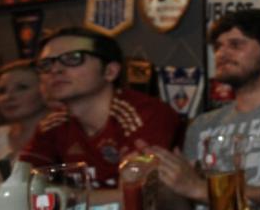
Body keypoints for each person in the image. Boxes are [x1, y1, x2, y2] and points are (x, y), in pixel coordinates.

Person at [147, 9, 260, 210]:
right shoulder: (202, 125)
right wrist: (157, 182)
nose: (222, 53)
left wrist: (201, 189)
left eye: (236, 44)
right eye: (218, 46)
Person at [20, 28, 184, 197]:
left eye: (73, 58)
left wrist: (64, 197)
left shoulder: (144, 113)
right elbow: (22, 188)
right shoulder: (52, 125)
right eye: (46, 64)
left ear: (110, 71)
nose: (55, 70)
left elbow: (140, 198)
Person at [0, 60, 50, 163]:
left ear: (45, 91)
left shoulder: (64, 135)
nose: (8, 97)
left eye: (22, 88)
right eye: (1, 91)